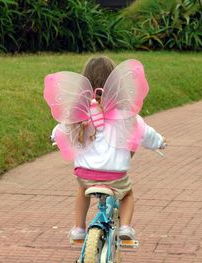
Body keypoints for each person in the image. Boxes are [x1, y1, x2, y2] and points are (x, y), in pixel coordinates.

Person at [45, 56, 166, 242]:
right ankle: (125, 227)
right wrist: (159, 142)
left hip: (85, 174)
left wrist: (54, 137)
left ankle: (79, 228)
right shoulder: (124, 114)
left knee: (81, 191)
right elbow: (144, 132)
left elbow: (62, 128)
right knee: (127, 194)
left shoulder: (79, 114)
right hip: (115, 175)